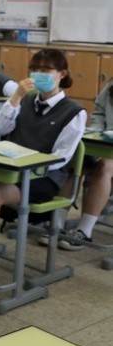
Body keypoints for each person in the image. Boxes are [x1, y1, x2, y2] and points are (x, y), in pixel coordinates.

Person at [0, 49, 86, 275]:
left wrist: (26, 165)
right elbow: (0, 128)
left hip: (43, 177)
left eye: (46, 70)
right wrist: (16, 97)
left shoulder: (74, 111)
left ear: (61, 74)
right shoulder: (25, 100)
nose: (39, 74)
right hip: (10, 168)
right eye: (35, 69)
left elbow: (61, 157)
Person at [53, 78, 113, 249]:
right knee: (76, 160)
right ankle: (56, 225)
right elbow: (99, 112)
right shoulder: (111, 84)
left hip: (109, 155)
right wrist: (98, 131)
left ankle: (84, 231)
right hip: (106, 143)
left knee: (104, 167)